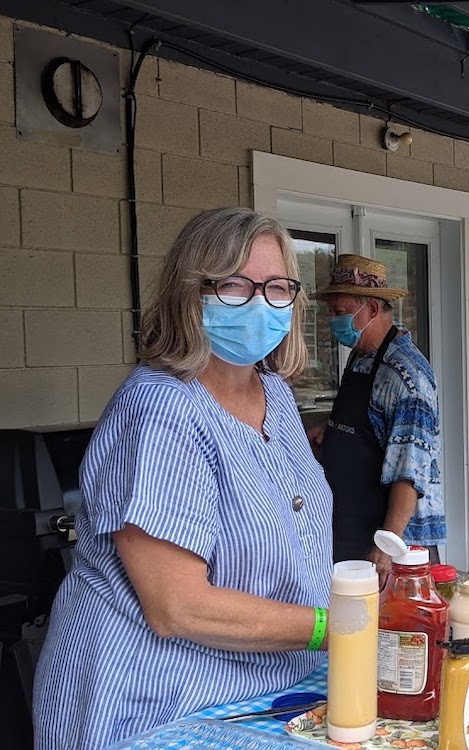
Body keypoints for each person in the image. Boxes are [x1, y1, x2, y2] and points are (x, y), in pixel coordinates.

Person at [32, 208, 334, 749]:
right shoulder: (161, 409)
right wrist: (333, 627)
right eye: (235, 285)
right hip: (157, 702)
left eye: (278, 287)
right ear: (191, 293)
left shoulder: (278, 397)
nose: (261, 302)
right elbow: (177, 606)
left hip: (270, 686)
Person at [309, 254, 443, 584]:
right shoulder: (362, 357)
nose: (332, 321)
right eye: (331, 312)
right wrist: (333, 432)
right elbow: (373, 426)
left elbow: (409, 470)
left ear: (370, 309)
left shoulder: (407, 377)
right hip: (351, 524)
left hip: (391, 541)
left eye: (339, 312)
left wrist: (387, 544)